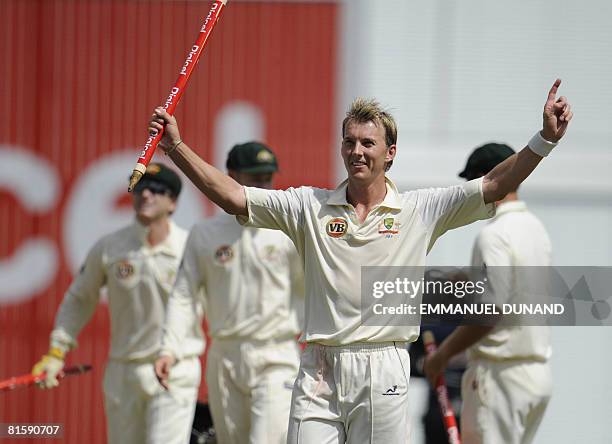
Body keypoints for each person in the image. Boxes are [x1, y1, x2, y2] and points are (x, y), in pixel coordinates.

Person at [146, 79, 572, 443]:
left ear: (390, 153)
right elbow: (232, 195)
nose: (357, 151)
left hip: (382, 364)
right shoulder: (307, 206)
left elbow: (496, 182)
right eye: (349, 142)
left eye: (368, 143)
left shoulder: (421, 209)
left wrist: (545, 140)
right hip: (318, 366)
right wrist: (177, 147)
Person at [32, 163, 201, 444]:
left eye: (157, 190)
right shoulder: (111, 247)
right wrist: (56, 351)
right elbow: (79, 298)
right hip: (124, 370)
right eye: (140, 188)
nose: (146, 194)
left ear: (173, 202)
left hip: (176, 368)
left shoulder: (190, 248)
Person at [154, 142, 304, 444]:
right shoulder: (205, 233)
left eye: (267, 178)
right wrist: (169, 348)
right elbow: (184, 294)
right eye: (254, 178)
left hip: (276, 355)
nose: (263, 186)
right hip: (225, 355)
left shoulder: (289, 230)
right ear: (231, 176)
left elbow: (314, 288)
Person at [424, 143, 554, 444]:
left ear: (491, 176)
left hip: (499, 379)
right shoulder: (535, 228)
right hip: (536, 377)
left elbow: (491, 312)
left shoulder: (493, 235)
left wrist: (443, 355)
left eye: (474, 182)